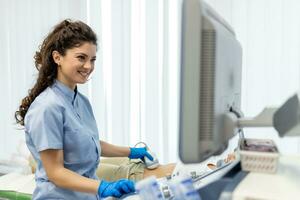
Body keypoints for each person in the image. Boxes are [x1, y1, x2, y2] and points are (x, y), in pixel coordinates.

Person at [15, 19, 175, 199]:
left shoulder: (80, 101)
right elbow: (55, 172)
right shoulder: (47, 107)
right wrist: (102, 186)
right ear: (57, 57)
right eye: (81, 58)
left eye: (93, 59)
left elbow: (89, 143)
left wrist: (131, 152)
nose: (89, 66)